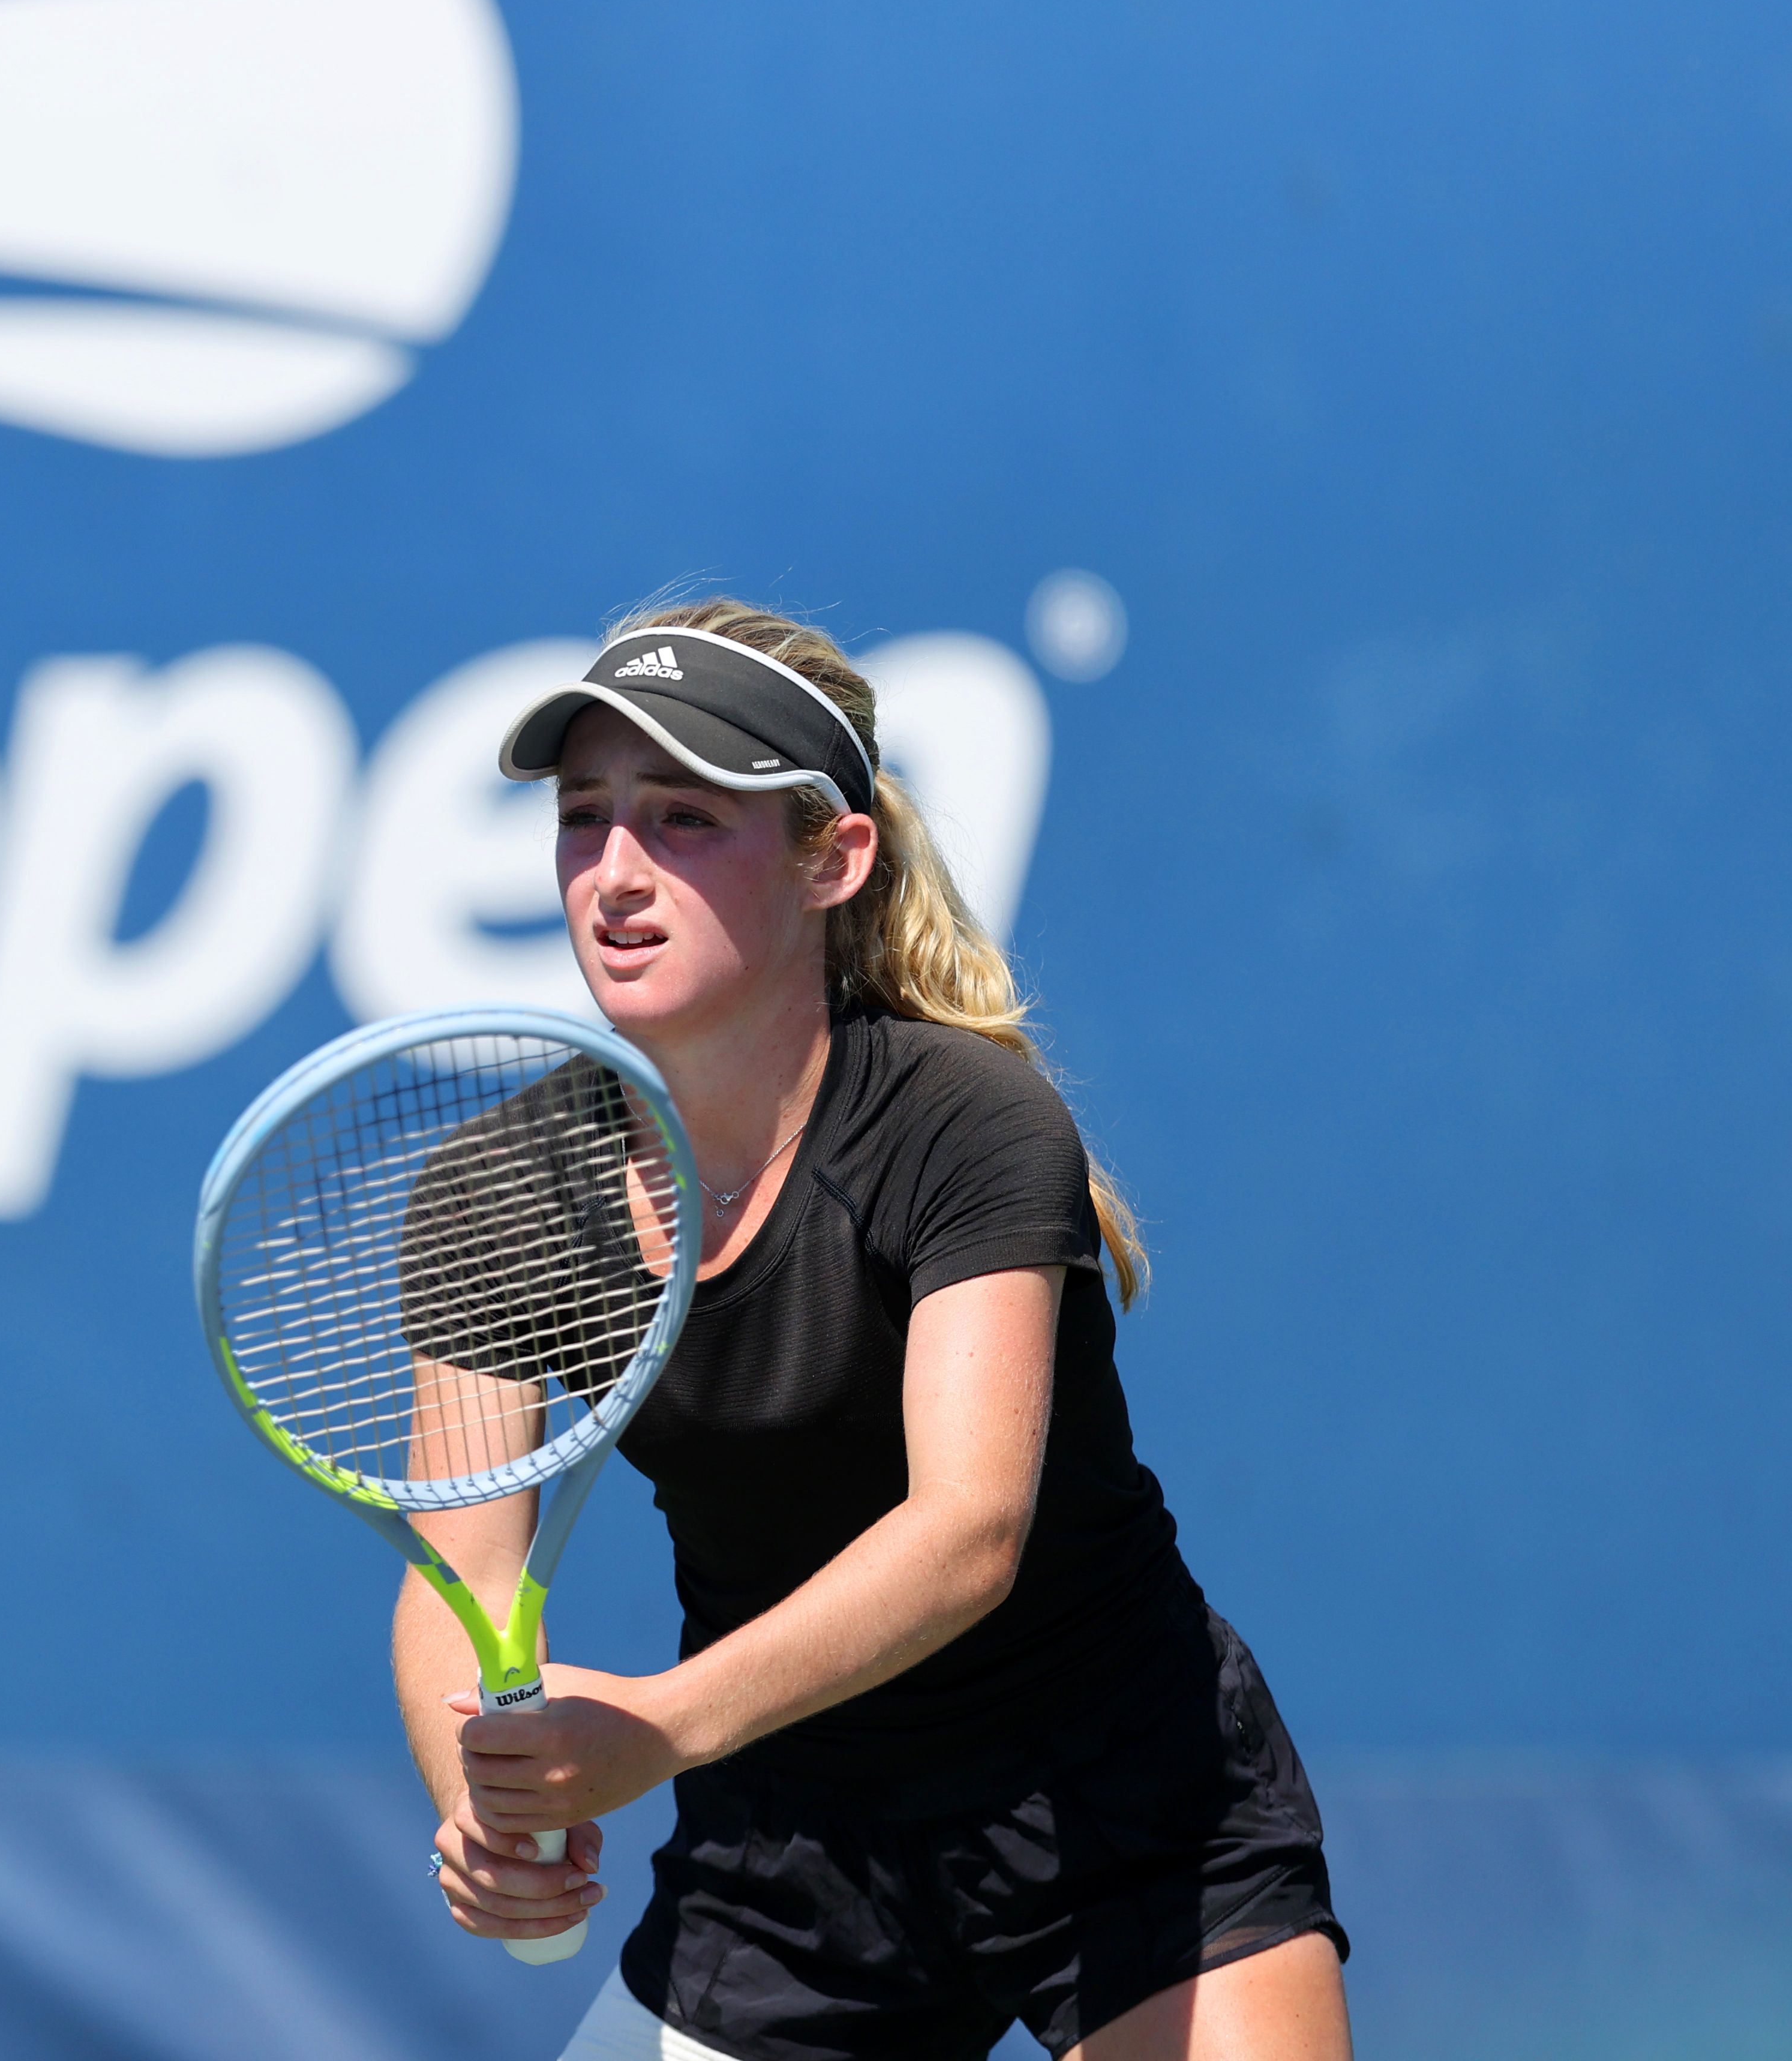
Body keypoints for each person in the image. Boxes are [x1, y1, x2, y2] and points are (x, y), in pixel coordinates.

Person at [395, 599, 1350, 2060]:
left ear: (832, 859)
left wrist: (658, 1724)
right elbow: (459, 1573)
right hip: (791, 1849)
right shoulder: (505, 1188)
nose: (617, 872)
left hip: (1121, 1799)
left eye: (685, 819)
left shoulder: (962, 1120)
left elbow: (967, 1534)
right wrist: (481, 1804)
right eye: (585, 816)